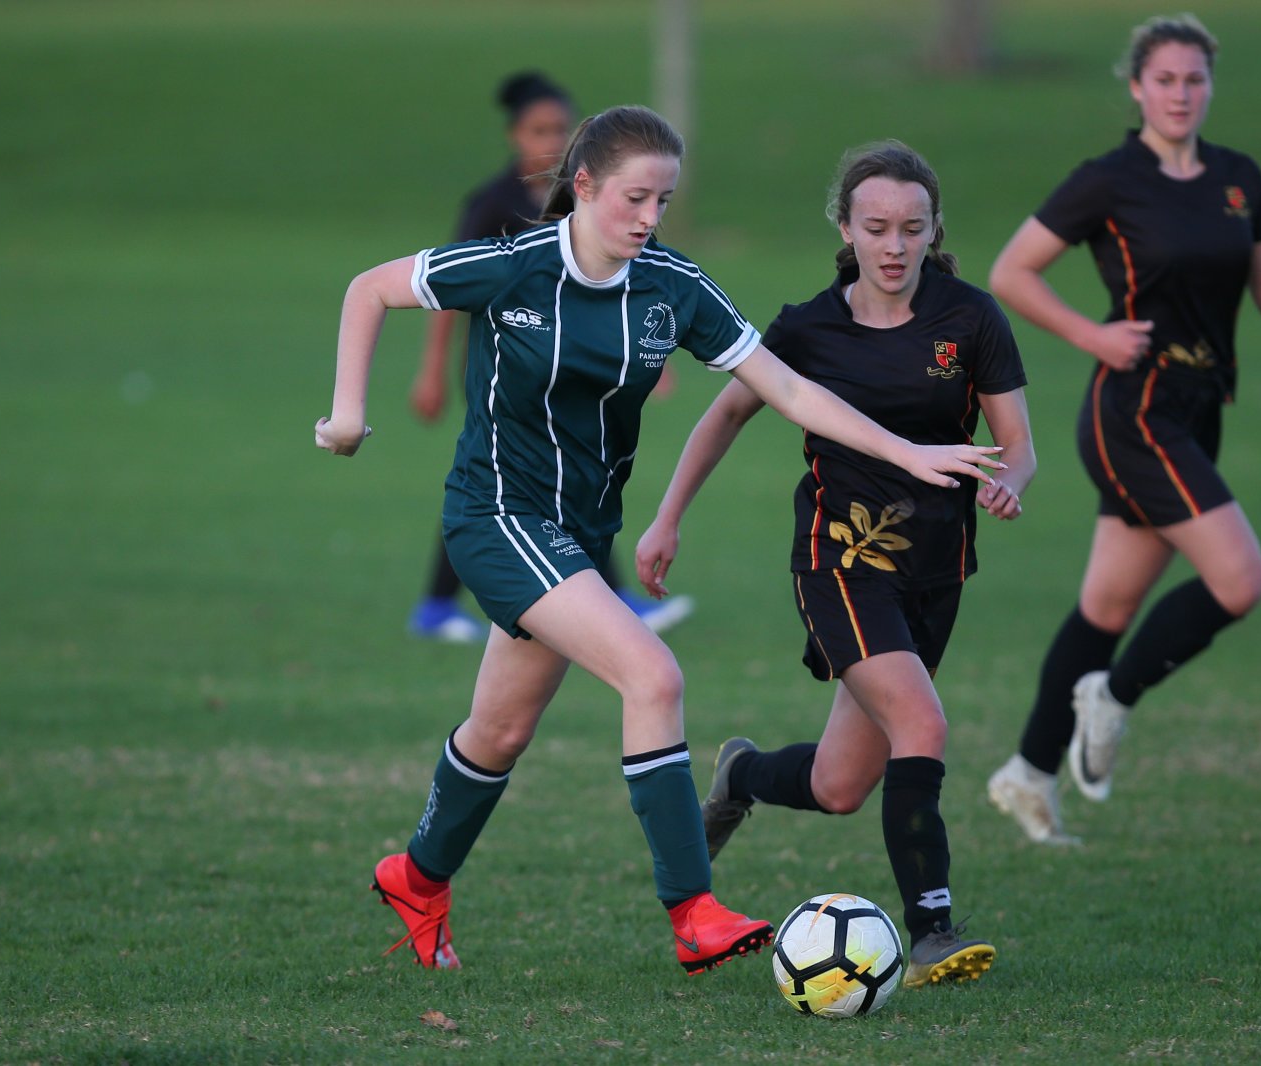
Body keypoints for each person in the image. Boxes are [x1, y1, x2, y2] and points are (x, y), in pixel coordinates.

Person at [315, 106, 1002, 975]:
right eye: (635, 198)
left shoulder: (672, 286)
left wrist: (908, 451)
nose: (649, 218)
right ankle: (692, 908)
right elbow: (369, 288)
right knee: (653, 674)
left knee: (501, 731)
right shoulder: (515, 264)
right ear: (584, 186)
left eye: (663, 201)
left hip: (577, 531)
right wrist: (348, 415)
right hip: (496, 516)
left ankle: (416, 877)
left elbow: (789, 391)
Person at [635, 142, 1032, 988]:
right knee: (922, 725)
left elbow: (1018, 444)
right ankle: (932, 932)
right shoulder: (807, 328)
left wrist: (1012, 483)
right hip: (839, 563)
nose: (895, 245)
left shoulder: (970, 319)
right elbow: (724, 416)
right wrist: (667, 518)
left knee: (841, 784)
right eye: (877, 227)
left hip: (938, 571)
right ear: (846, 228)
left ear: (934, 230)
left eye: (912, 229)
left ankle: (741, 774)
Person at [983, 14, 1261, 844]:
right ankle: (1110, 696)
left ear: (1210, 85)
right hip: (1135, 410)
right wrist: (1093, 335)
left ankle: (1028, 772)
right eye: (1165, 79)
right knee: (1239, 580)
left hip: (1200, 406)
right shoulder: (1109, 181)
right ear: (1137, 85)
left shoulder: (1239, 178)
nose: (1181, 94)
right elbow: (1011, 271)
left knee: (1107, 606)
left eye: (1194, 79)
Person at [406, 72, 692, 643]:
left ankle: (448, 605)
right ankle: (447, 604)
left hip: (575, 365)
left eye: (560, 128)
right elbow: (442, 292)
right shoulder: (494, 203)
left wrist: (654, 358)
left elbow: (623, 289)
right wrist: (431, 373)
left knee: (555, 477)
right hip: (514, 363)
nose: (551, 140)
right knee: (513, 478)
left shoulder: (591, 206)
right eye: (539, 130)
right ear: (515, 136)